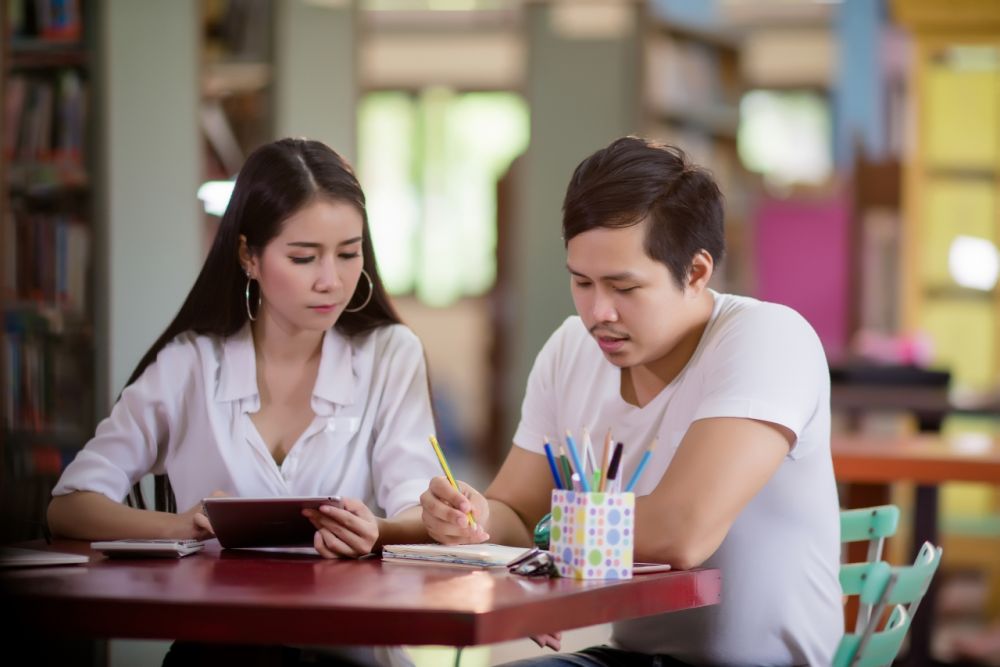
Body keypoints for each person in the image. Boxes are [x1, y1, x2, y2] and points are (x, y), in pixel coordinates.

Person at [421, 136, 843, 666]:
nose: (598, 312)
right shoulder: (571, 349)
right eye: (582, 282)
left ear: (696, 272)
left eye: (624, 288)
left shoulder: (768, 338)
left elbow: (682, 532)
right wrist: (475, 515)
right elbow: (517, 514)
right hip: (633, 658)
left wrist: (544, 541)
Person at [47, 138, 440, 666]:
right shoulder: (190, 364)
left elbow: (417, 510)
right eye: (303, 257)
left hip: (349, 653)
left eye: (349, 253)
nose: (331, 280)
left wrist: (378, 532)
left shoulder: (390, 354)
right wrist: (179, 528)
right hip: (218, 650)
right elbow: (70, 506)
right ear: (248, 256)